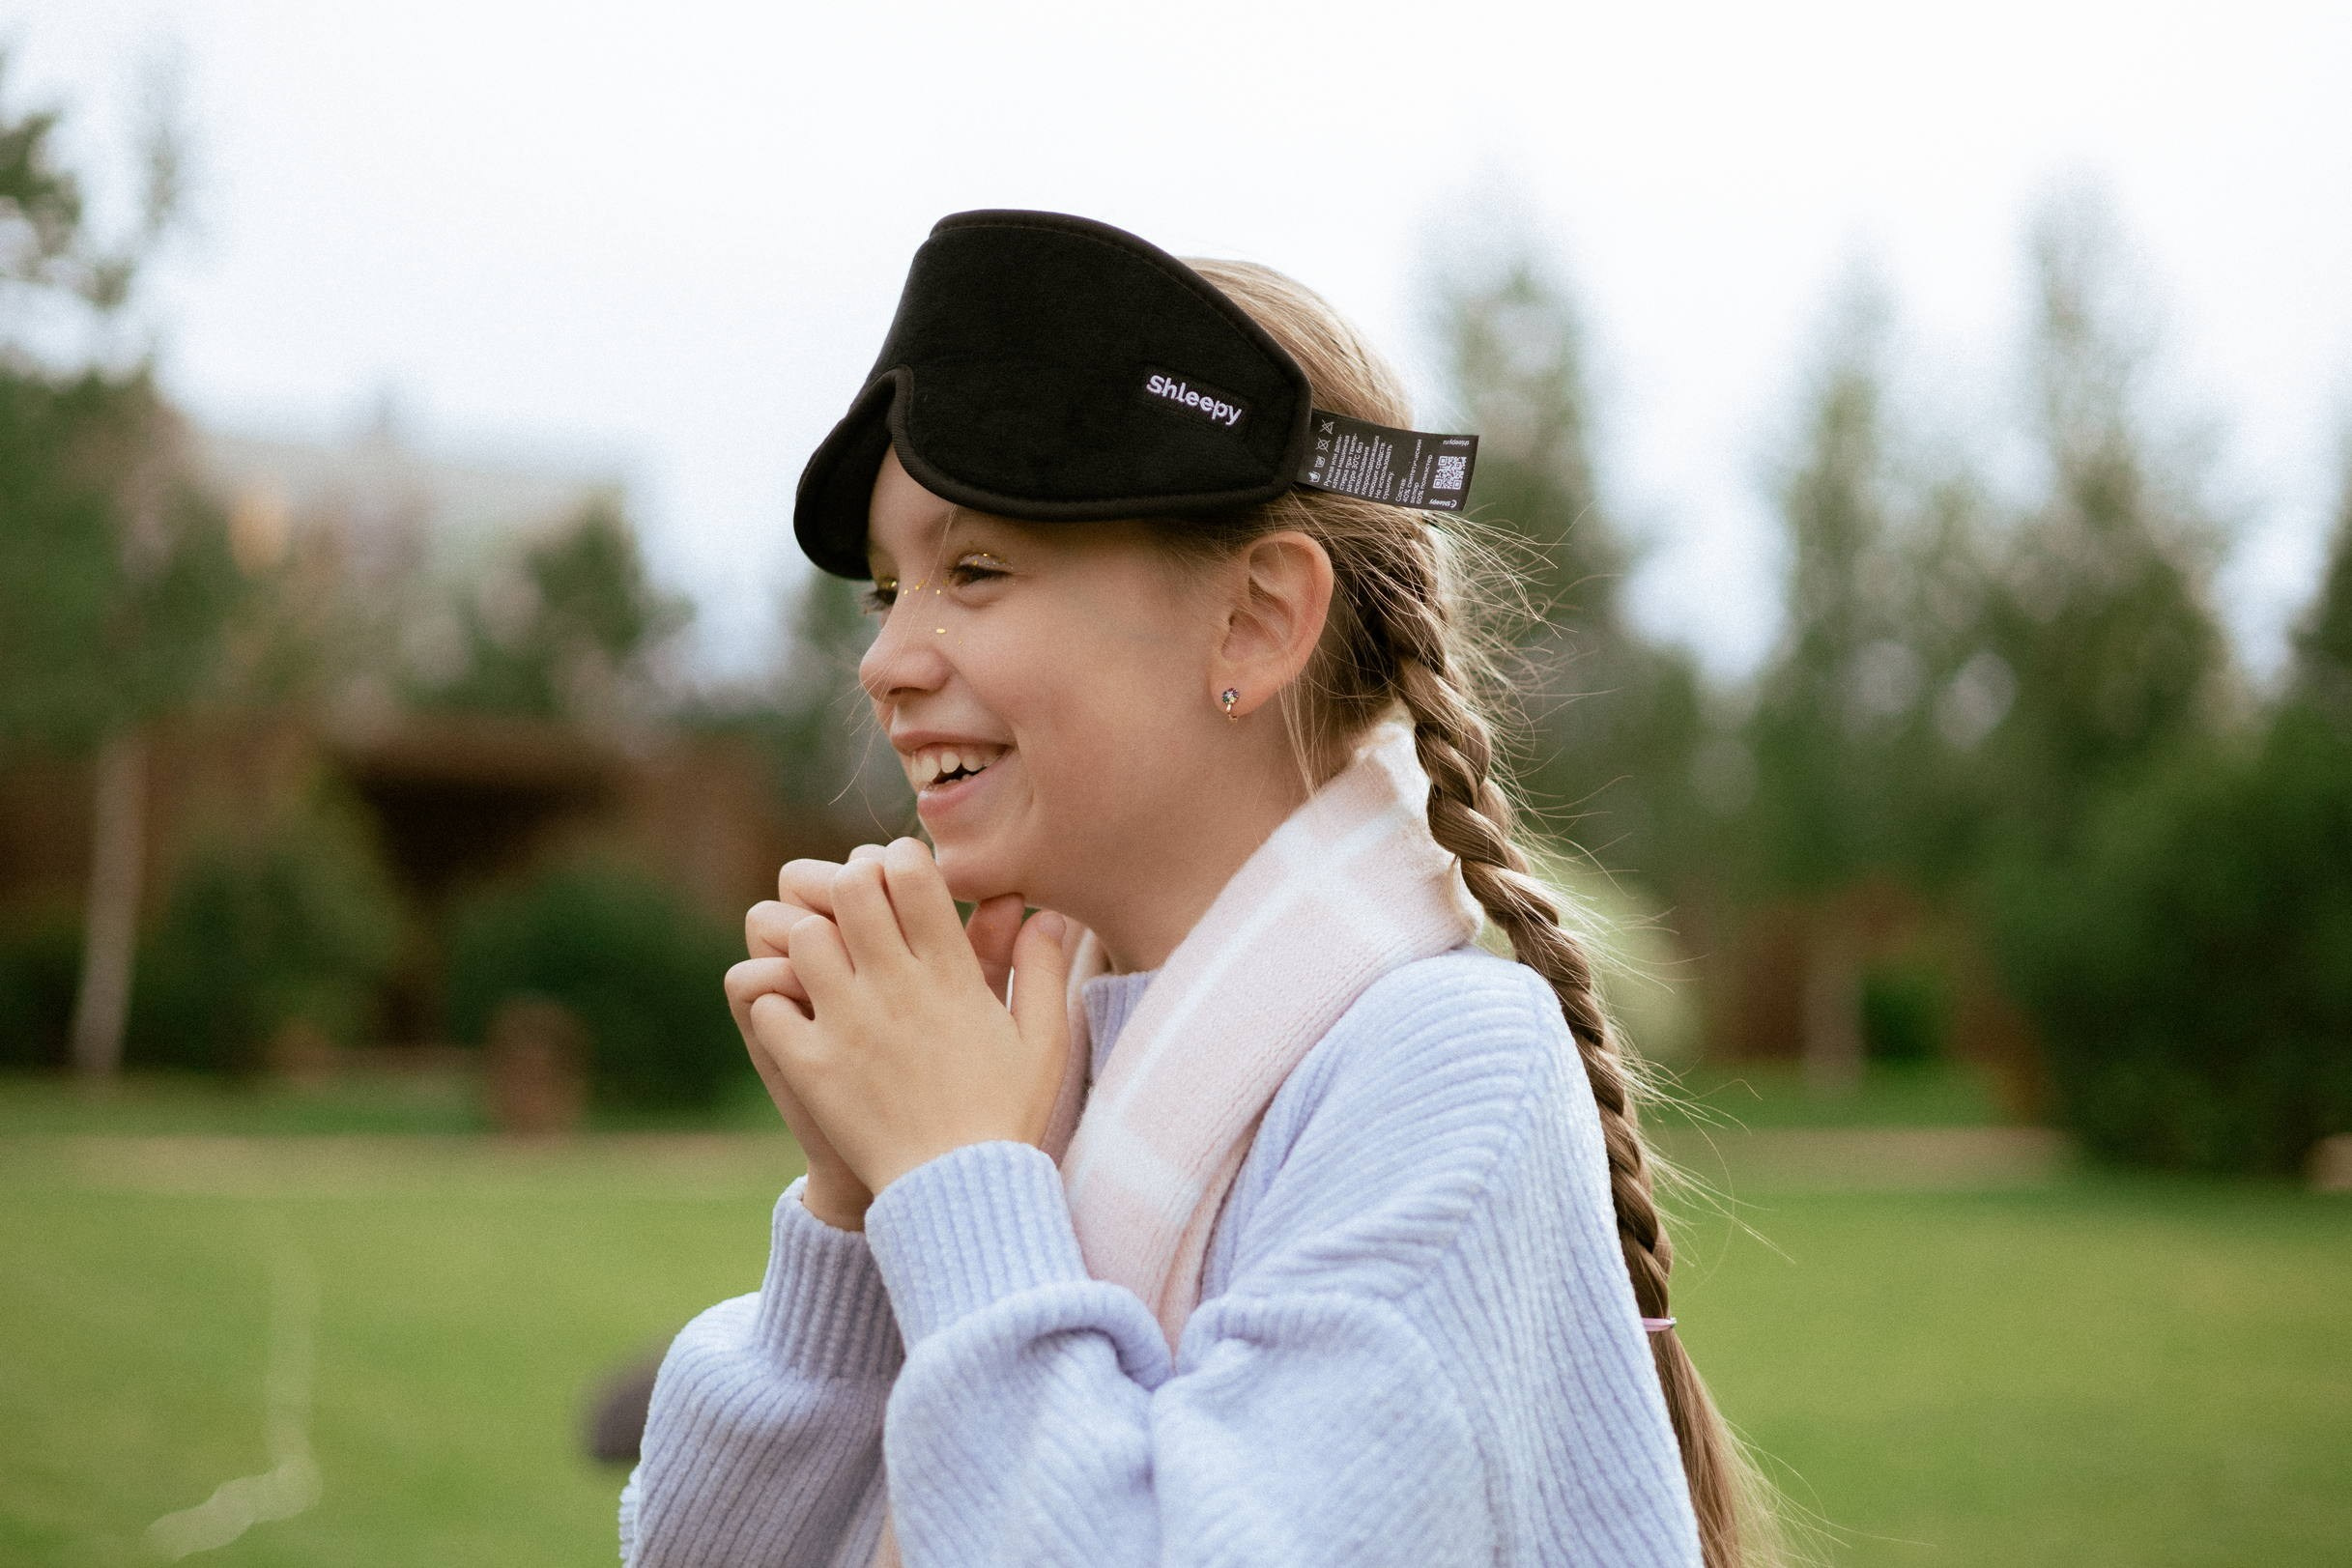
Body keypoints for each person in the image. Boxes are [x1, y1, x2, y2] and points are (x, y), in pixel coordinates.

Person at [618, 211, 1789, 1567]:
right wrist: (851, 1212)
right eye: (888, 593)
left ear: (1253, 622)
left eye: (976, 570)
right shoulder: (1037, 1052)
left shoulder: (1442, 1065)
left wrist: (953, 1184)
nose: (886, 660)